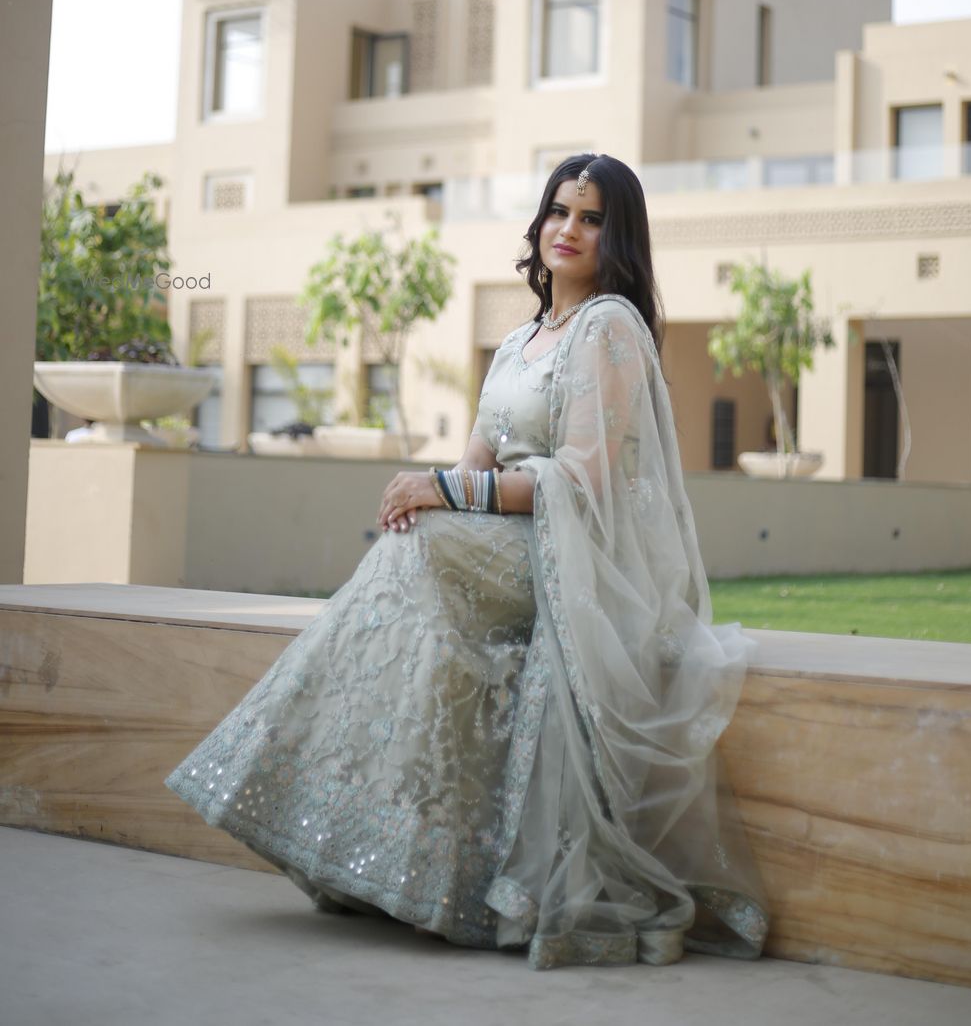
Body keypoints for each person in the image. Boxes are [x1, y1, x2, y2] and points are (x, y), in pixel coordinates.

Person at [164, 152, 769, 969]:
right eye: (560, 211)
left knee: (417, 551)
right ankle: (380, 848)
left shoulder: (610, 328)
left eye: (592, 218)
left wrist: (442, 489)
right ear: (540, 223)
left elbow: (585, 477)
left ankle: (318, 806)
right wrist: (430, 494)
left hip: (568, 558)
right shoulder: (519, 342)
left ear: (617, 235)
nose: (570, 230)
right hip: (501, 544)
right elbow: (475, 467)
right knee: (408, 546)